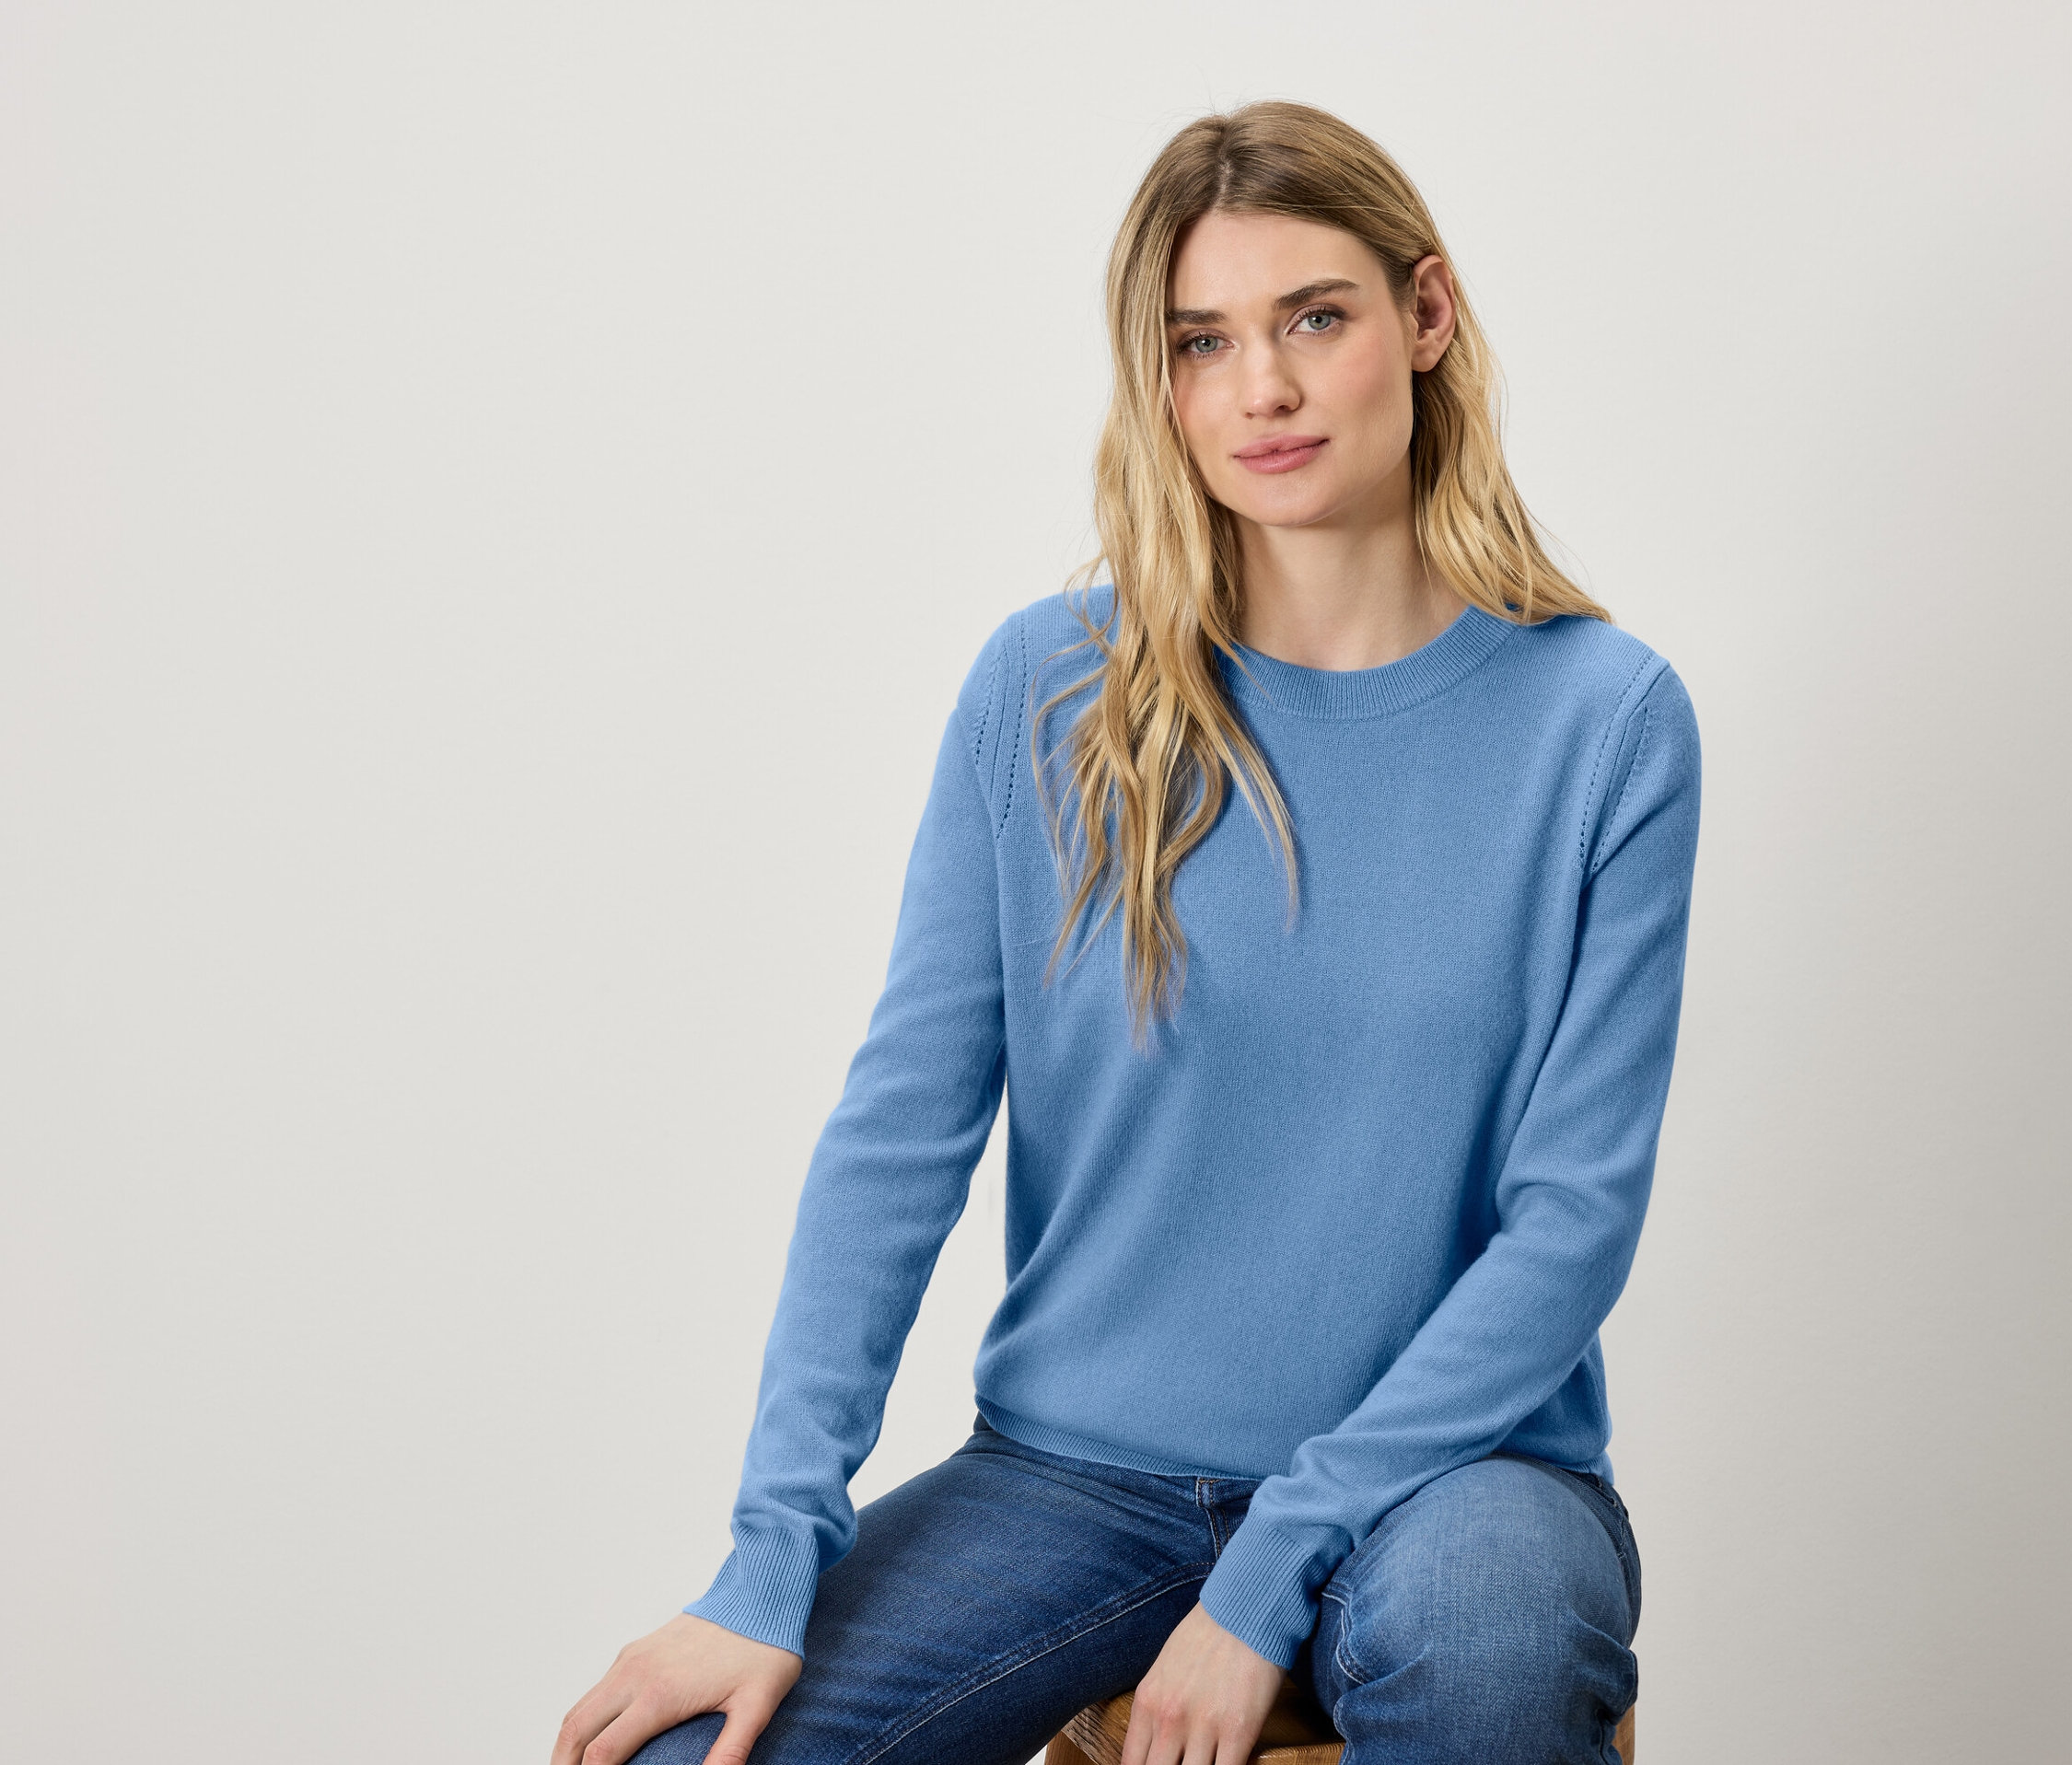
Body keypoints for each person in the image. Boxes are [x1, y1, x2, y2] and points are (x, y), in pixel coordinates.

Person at [553, 99, 1698, 1765]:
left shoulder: (1601, 720)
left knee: (1489, 1667)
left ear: (1425, 314)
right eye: (1200, 342)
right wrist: (768, 1553)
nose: (1262, 389)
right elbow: (898, 1135)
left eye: (1314, 317)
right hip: (1076, 1470)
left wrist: (1268, 1574)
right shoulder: (1048, 692)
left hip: (1460, 1472)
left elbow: (1570, 1221)